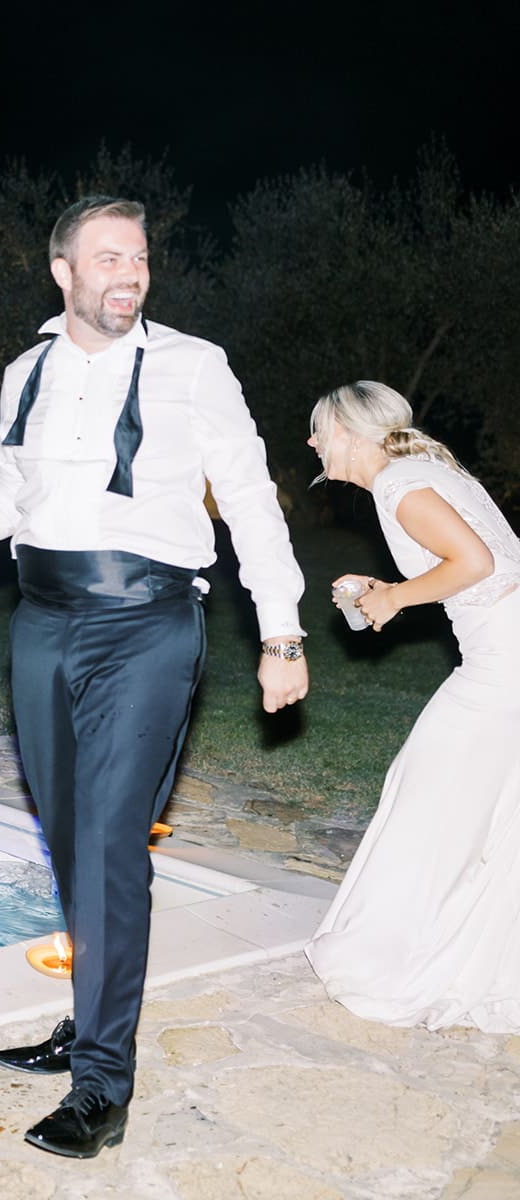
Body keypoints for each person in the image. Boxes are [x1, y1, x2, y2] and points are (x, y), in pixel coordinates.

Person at [0, 195, 308, 1159]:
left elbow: (251, 500)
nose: (129, 273)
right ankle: (89, 1016)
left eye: (138, 257)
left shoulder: (194, 366)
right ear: (63, 272)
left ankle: (102, 1085)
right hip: (42, 622)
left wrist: (282, 631)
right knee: (68, 837)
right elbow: (11, 498)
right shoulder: (28, 371)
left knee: (107, 842)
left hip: (146, 624)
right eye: (108, 257)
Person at [303, 382, 520, 1033]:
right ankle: (463, 952)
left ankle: (395, 959)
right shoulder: (418, 472)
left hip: (502, 663)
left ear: (349, 434)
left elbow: (477, 562)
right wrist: (387, 589)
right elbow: (476, 568)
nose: (311, 442)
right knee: (478, 803)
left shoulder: (399, 483)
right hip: (503, 650)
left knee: (425, 789)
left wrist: (395, 599)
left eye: (319, 431)